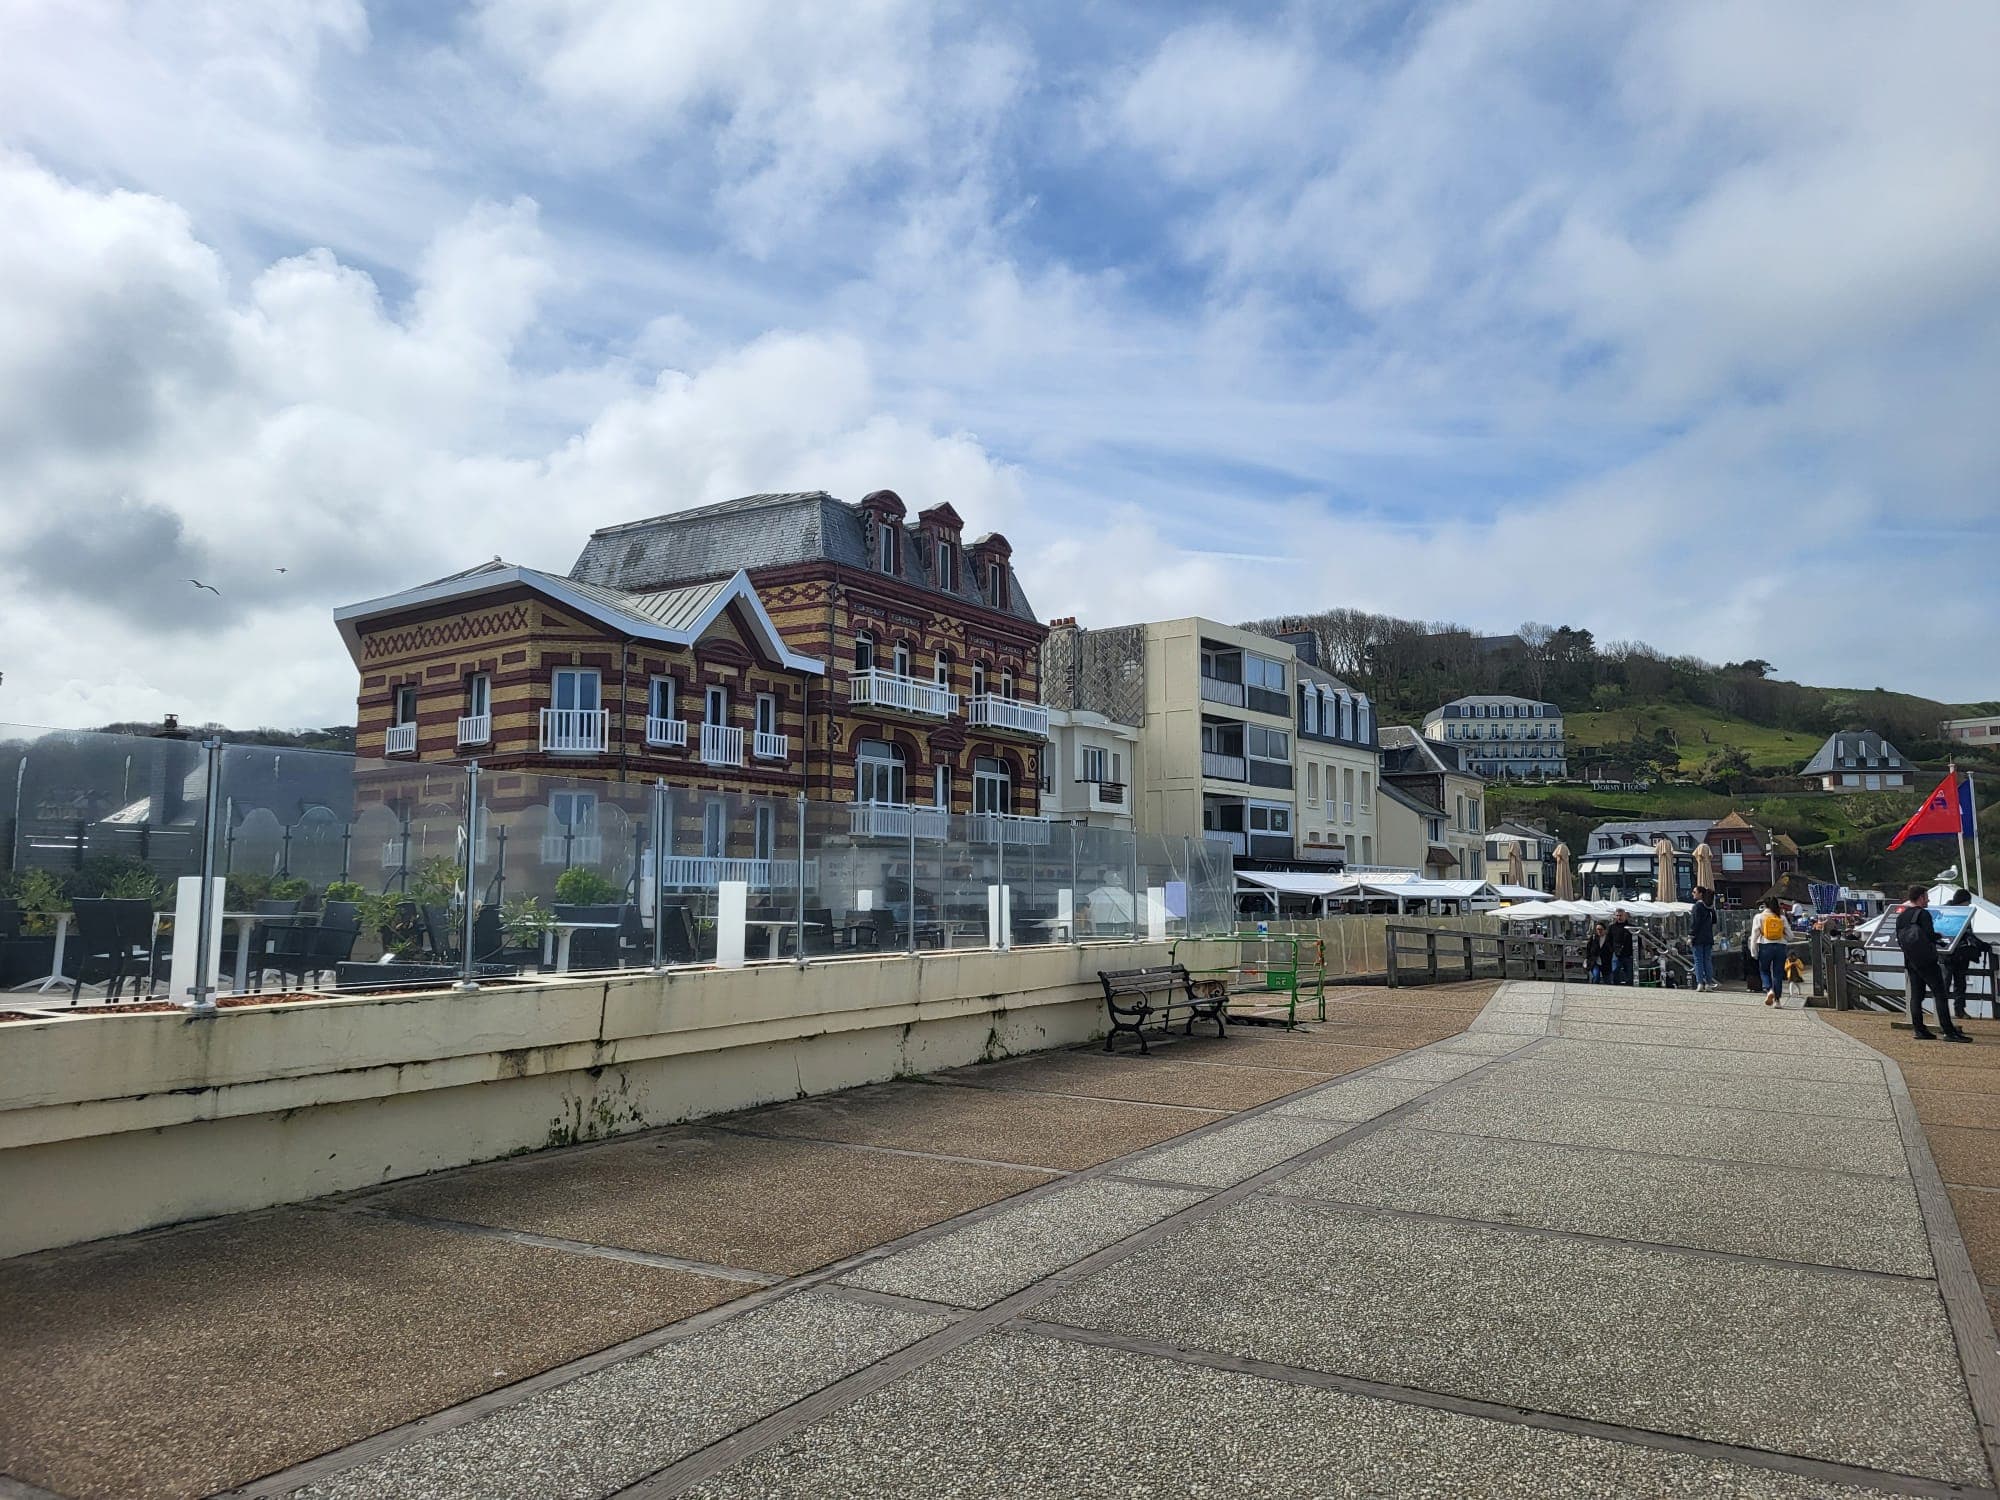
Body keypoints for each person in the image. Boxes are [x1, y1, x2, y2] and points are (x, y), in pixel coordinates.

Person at [1896, 885, 1968, 1043]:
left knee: (1916, 996)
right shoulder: (1923, 914)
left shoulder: (1902, 916)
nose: (1928, 900)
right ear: (1921, 898)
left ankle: (1919, 1030)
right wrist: (1939, 937)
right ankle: (1948, 1031)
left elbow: (1899, 938)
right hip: (1926, 960)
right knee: (1940, 994)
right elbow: (1929, 935)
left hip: (1910, 960)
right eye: (1926, 897)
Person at [1944, 888, 1991, 1023]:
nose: (1969, 905)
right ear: (1963, 901)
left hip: (1956, 953)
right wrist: (1982, 945)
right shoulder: (1956, 913)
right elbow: (1968, 934)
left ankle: (1953, 1010)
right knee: (1949, 983)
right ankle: (1949, 1011)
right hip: (1950, 954)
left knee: (1957, 983)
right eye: (1968, 902)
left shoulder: (1946, 911)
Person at [1753, 896, 1790, 1006]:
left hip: (1765, 946)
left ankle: (1769, 990)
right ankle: (1777, 1001)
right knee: (1778, 973)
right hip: (1780, 946)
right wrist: (1782, 935)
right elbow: (1791, 936)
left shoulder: (1759, 917)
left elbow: (1754, 936)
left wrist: (1754, 951)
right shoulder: (1781, 918)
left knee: (1764, 970)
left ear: (1764, 905)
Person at [1689, 886, 1717, 991]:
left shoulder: (1697, 906)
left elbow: (1695, 922)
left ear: (1700, 894)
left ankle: (1700, 983)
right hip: (1708, 937)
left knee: (1698, 961)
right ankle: (1708, 983)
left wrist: (1691, 935)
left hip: (1698, 938)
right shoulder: (1710, 906)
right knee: (1707, 960)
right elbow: (1714, 920)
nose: (1692, 893)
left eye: (1694, 892)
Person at [1606, 908, 1635, 986]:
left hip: (1628, 954)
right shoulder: (1612, 927)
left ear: (1625, 916)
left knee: (1629, 974)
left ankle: (1630, 988)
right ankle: (1616, 987)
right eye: (1617, 915)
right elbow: (1608, 940)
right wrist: (1612, 950)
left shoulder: (1631, 927)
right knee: (1615, 971)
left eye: (1621, 915)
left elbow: (1637, 941)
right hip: (1616, 954)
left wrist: (1634, 952)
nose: (1619, 917)